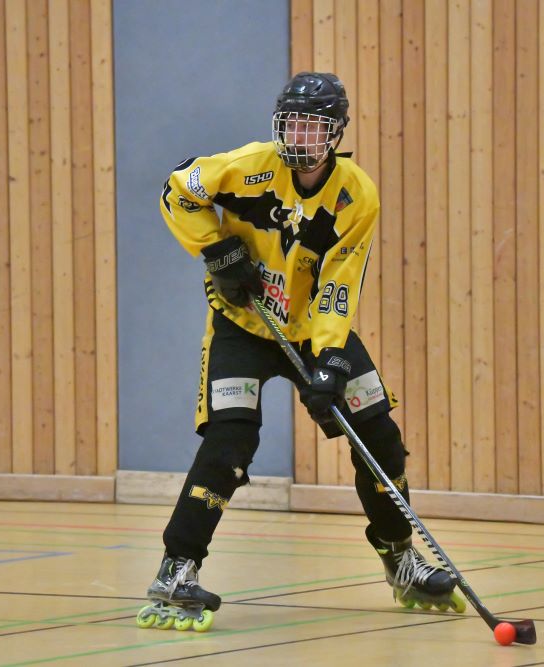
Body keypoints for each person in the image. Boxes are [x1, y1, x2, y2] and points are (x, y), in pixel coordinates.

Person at [137, 72, 464, 632]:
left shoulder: (356, 196)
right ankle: (177, 567)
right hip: (242, 323)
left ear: (336, 132)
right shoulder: (248, 166)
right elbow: (177, 190)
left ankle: (399, 558)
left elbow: (341, 283)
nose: (301, 135)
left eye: (314, 125)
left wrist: (332, 361)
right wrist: (216, 249)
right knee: (230, 439)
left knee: (377, 432)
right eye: (293, 122)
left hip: (313, 328)